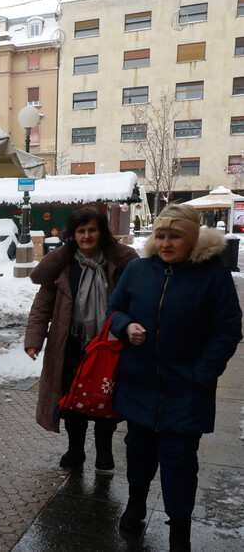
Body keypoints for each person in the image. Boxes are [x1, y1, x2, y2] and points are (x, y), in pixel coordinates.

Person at [107, 204, 241, 551]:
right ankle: (136, 503)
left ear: (192, 239)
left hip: (187, 389)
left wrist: (203, 372)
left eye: (175, 236)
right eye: (161, 235)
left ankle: (179, 527)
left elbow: (228, 329)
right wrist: (126, 326)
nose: (166, 243)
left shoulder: (214, 275)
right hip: (139, 383)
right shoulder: (137, 270)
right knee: (138, 451)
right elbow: (114, 310)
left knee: (179, 461)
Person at [24, 207, 138, 470]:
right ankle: (75, 451)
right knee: (73, 400)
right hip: (71, 343)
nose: (87, 236)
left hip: (109, 344)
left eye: (92, 230)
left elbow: (137, 300)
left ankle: (104, 449)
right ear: (73, 235)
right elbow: (42, 306)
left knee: (106, 396)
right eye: (81, 231)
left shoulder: (120, 265)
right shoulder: (63, 266)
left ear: (102, 233)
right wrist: (34, 339)